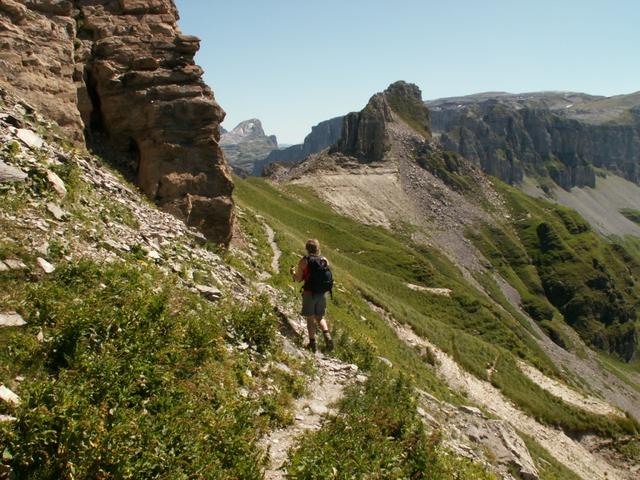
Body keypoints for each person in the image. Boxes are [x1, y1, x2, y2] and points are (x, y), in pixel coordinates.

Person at [290, 239, 333, 353]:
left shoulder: (304, 261)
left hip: (309, 293)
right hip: (322, 294)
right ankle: (327, 336)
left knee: (310, 319)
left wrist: (293, 274)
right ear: (318, 248)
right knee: (320, 317)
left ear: (307, 248)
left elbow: (299, 279)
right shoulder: (324, 260)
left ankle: (312, 343)